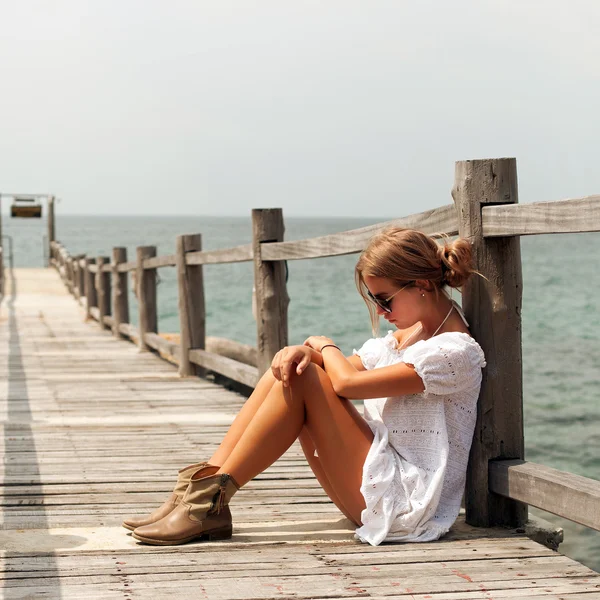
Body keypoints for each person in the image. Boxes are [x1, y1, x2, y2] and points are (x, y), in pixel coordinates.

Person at [122, 227, 486, 546]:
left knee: (306, 373)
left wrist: (322, 344)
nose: (379, 312)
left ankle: (207, 506)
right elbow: (338, 370)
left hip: (404, 506)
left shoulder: (453, 353)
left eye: (383, 299)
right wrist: (303, 350)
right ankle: (197, 493)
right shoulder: (408, 336)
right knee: (290, 367)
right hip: (376, 484)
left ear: (421, 285)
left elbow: (348, 383)